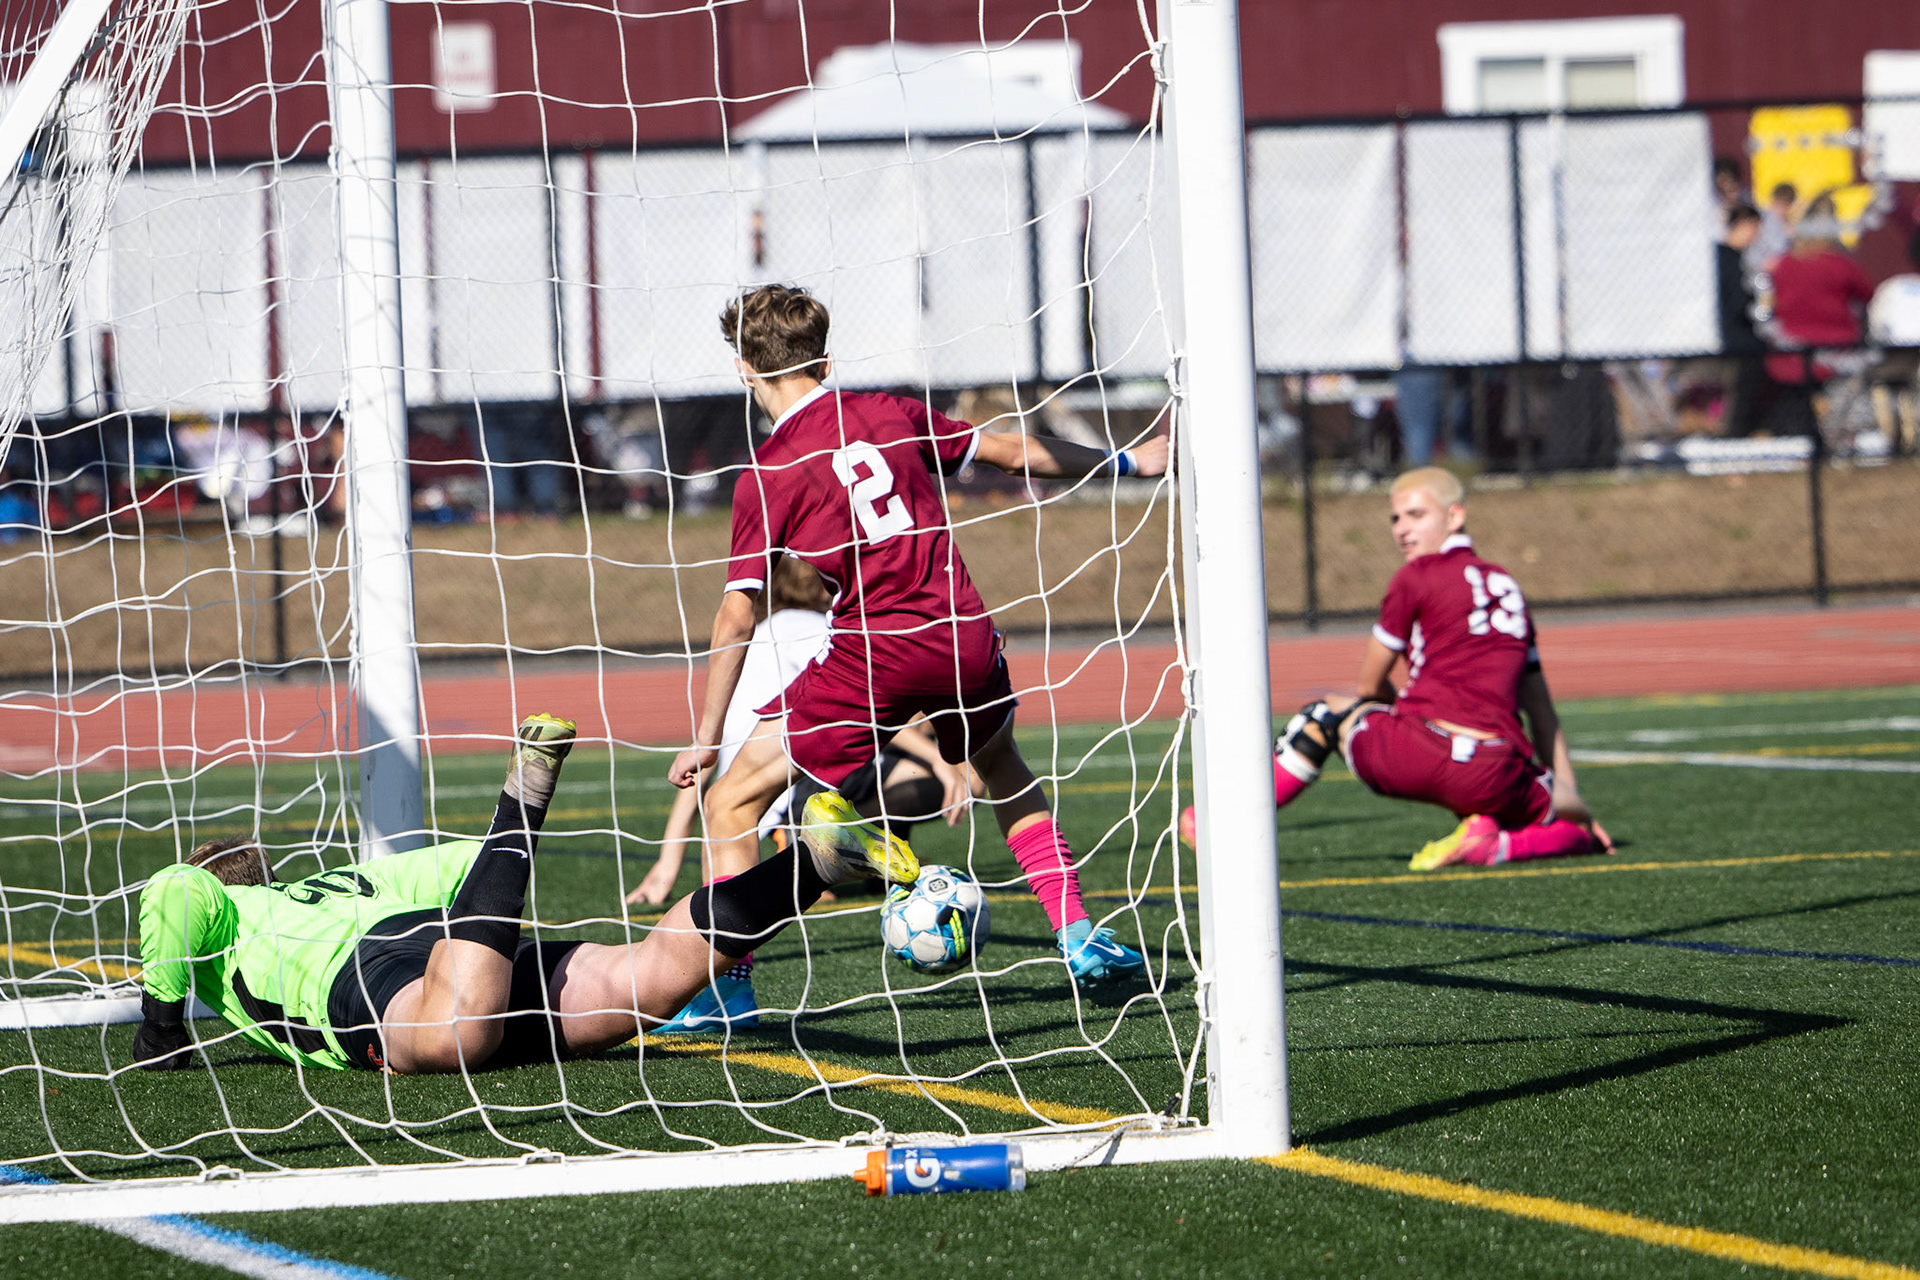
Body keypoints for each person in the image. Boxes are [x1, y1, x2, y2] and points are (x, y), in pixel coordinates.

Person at [666, 283, 1166, 987]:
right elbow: (1014, 452)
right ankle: (1078, 935)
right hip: (962, 636)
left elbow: (738, 613)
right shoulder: (891, 412)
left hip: (873, 653)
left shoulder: (768, 470)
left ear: (744, 369)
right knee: (1005, 772)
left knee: (731, 800)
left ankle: (731, 987)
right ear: (826, 361)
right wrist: (1130, 462)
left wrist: (708, 735)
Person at [132, 714, 915, 1074]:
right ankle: (810, 868)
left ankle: (525, 795)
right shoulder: (349, 880)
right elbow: (468, 866)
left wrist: (161, 1032)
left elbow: (174, 892)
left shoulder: (227, 908)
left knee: (453, 1039)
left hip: (363, 978)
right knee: (646, 982)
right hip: (436, 941)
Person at [1180, 468, 1611, 870]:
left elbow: (1368, 684)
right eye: (1396, 518)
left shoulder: (1417, 576)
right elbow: (1542, 713)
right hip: (1498, 770)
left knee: (1325, 713)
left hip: (1425, 755)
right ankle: (1497, 845)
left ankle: (1220, 825)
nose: (1402, 528)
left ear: (1455, 515)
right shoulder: (1508, 585)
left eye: (1416, 515)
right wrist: (1572, 799)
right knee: (1574, 830)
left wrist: (1403, 709)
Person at [630, 557, 978, 1031]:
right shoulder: (816, 628)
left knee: (729, 801)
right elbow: (865, 705)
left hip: (746, 803)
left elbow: (712, 764)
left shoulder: (765, 633)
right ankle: (826, 844)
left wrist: (668, 861)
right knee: (919, 777)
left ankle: (730, 985)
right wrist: (940, 757)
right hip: (794, 794)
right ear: (823, 585)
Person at [1717, 203, 1767, 437]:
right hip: (1732, 335)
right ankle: (1738, 431)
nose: (1757, 234)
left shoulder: (1732, 257)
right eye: (1754, 227)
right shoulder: (1727, 259)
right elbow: (1738, 303)